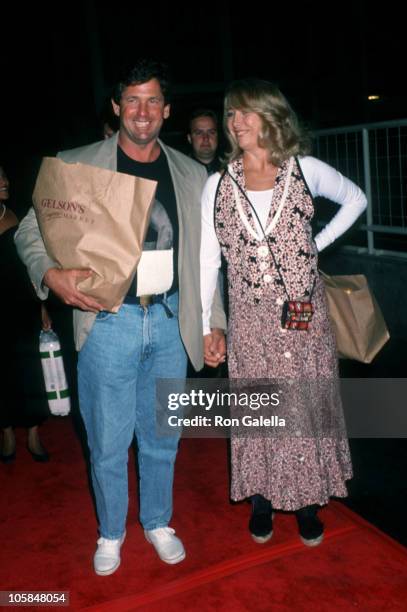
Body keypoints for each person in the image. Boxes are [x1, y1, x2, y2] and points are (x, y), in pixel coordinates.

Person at [14, 59, 226, 575]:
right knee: (108, 441)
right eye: (132, 99)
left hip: (173, 321)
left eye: (153, 100)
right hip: (110, 322)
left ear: (166, 110)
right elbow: (28, 232)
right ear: (116, 107)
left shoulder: (191, 172)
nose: (142, 111)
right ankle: (111, 532)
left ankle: (157, 522)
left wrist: (212, 320)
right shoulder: (78, 162)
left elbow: (206, 255)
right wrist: (51, 276)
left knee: (162, 437)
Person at [200, 79, 367, 547]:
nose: (236, 122)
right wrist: (207, 324)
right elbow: (206, 260)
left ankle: (310, 504)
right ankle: (261, 501)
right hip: (250, 323)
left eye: (246, 112)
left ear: (271, 116)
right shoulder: (217, 184)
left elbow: (356, 199)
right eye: (232, 114)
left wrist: (317, 245)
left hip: (303, 319)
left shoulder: (305, 169)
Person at [0, 165, 50, 463]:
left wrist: (42, 305)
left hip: (22, 306)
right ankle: (5, 432)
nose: (5, 181)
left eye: (5, 175)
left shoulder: (19, 216)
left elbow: (30, 267)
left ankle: (33, 433)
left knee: (31, 369)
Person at [187, 109, 221, 175]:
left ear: (217, 136)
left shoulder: (231, 168)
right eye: (199, 133)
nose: (206, 138)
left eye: (211, 132)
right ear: (189, 138)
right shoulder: (179, 171)